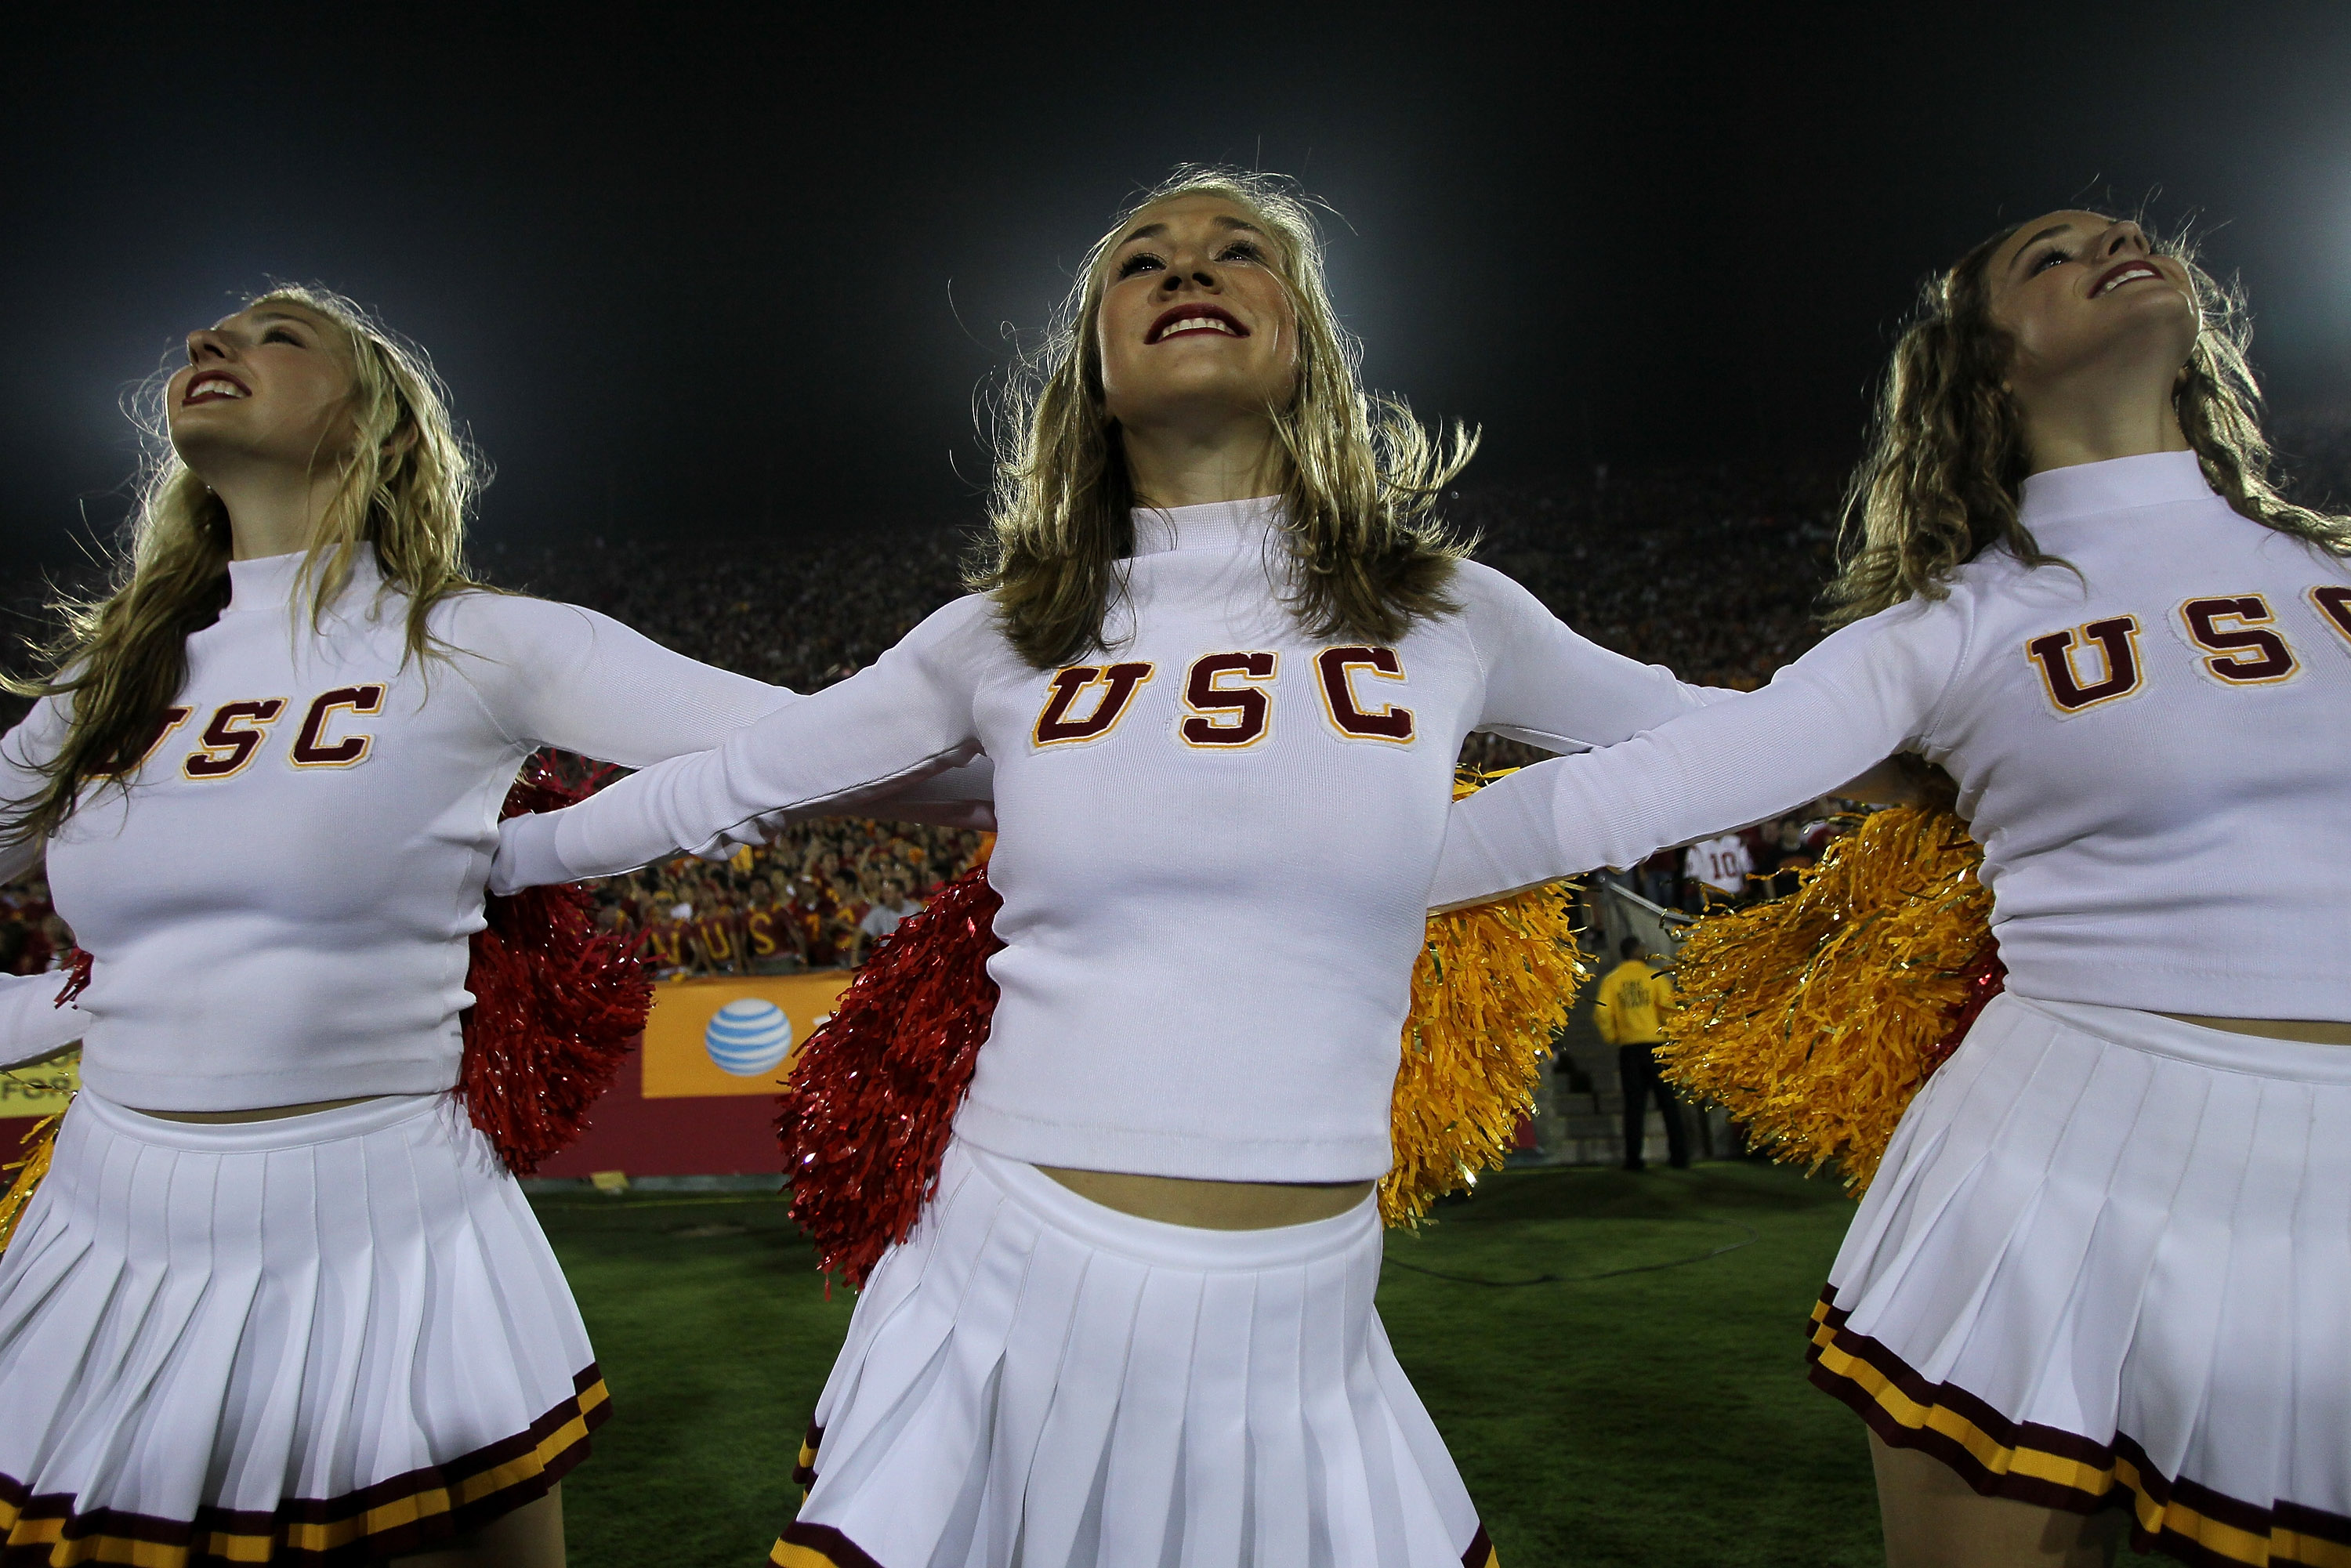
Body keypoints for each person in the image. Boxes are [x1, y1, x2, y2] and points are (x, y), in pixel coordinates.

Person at [491, 167, 1738, 1568]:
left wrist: (1949, 733)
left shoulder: (1446, 608)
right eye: (1140, 260)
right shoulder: (999, 631)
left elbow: (1706, 737)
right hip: (1009, 1272)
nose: (1186, 266)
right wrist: (507, 854)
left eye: (1237, 249)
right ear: (1088, 372)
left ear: (1306, 342)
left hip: (1308, 1318)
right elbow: (744, 780)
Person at [0, 287, 987, 1566]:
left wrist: (1057, 770)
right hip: (101, 1231)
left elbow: (814, 742)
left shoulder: (478, 646)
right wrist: (68, 1011)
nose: (210, 344)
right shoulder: (110, 680)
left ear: (385, 434)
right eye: (212, 333)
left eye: (277, 334)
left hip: (377, 1232)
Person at [1430, 211, 2351, 1568]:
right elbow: (1638, 783)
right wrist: (1307, 865)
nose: (2117, 244)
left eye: (2126, 233)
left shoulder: (2331, 571)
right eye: (2052, 255)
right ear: (1987, 372)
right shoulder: (1949, 625)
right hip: (2064, 1156)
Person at [1592, 936, 1688, 1171]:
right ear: (1637, 952)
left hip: (1630, 1048)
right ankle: (1679, 1157)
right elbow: (1669, 1008)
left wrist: (1614, 1036)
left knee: (1634, 1106)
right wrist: (1672, 1034)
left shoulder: (1612, 980)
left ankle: (1633, 1159)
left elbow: (1602, 1013)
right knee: (1668, 1104)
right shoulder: (1654, 976)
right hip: (1657, 1046)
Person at [849, 877, 921, 966]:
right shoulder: (879, 912)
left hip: (910, 958)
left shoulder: (915, 910)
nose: (885, 896)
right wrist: (854, 960)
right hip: (888, 960)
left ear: (900, 894)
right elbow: (859, 934)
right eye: (884, 893)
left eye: (888, 893)